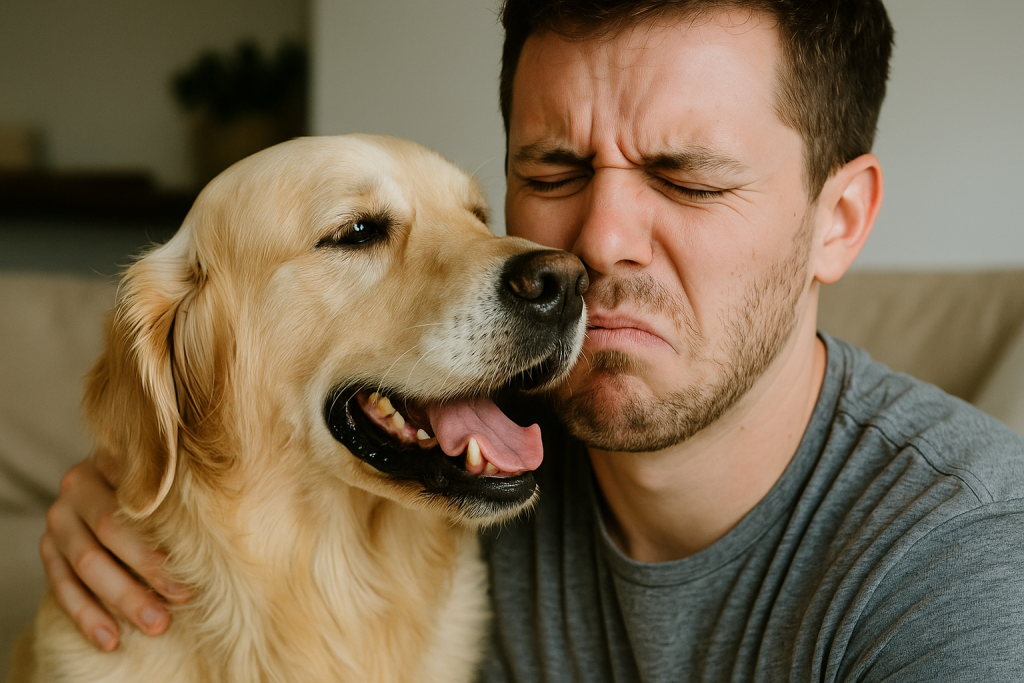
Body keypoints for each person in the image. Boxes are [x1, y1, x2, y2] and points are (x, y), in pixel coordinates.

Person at [41, 0, 1024, 680]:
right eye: (553, 171)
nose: (593, 244)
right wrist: (123, 496)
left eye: (686, 177)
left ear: (838, 219)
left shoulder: (967, 567)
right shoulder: (452, 450)